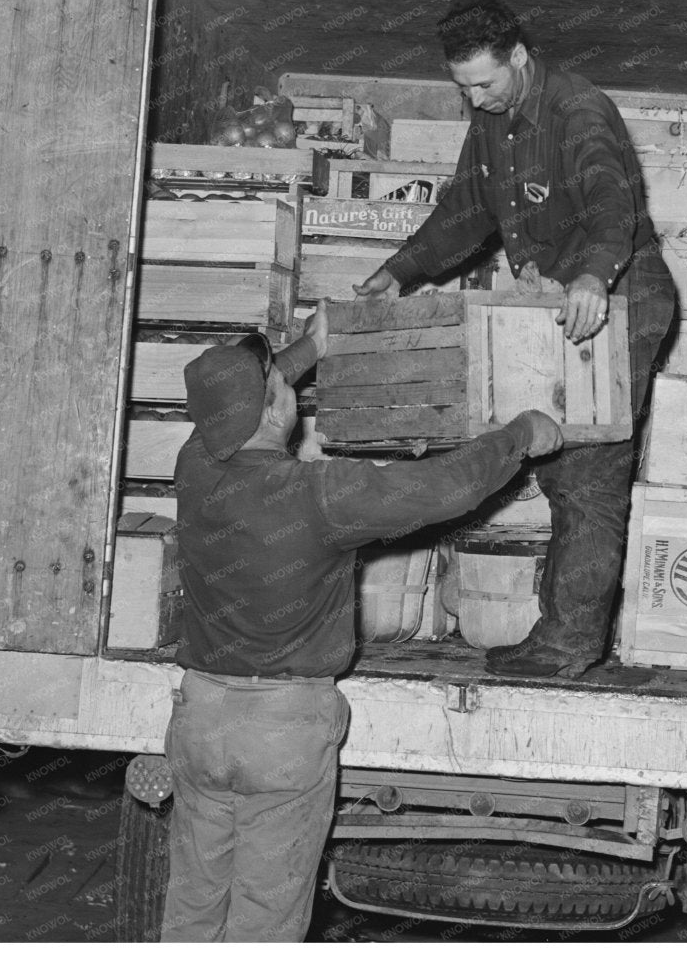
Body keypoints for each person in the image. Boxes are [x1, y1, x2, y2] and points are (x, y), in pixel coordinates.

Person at [161, 311, 564, 941]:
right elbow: (446, 486)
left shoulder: (194, 466)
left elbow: (242, 409)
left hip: (201, 720)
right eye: (279, 384)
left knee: (193, 904)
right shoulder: (318, 494)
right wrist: (519, 434)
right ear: (273, 409)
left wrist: (311, 348)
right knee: (264, 920)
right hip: (281, 732)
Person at [354, 0, 679, 680]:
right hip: (560, 302)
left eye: (486, 82)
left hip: (623, 295)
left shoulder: (577, 110)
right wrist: (398, 271)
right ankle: (561, 632)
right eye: (463, 86)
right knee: (562, 469)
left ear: (521, 59)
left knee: (588, 475)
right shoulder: (491, 122)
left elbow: (609, 202)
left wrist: (594, 275)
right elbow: (464, 213)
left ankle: (568, 643)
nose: (476, 97)